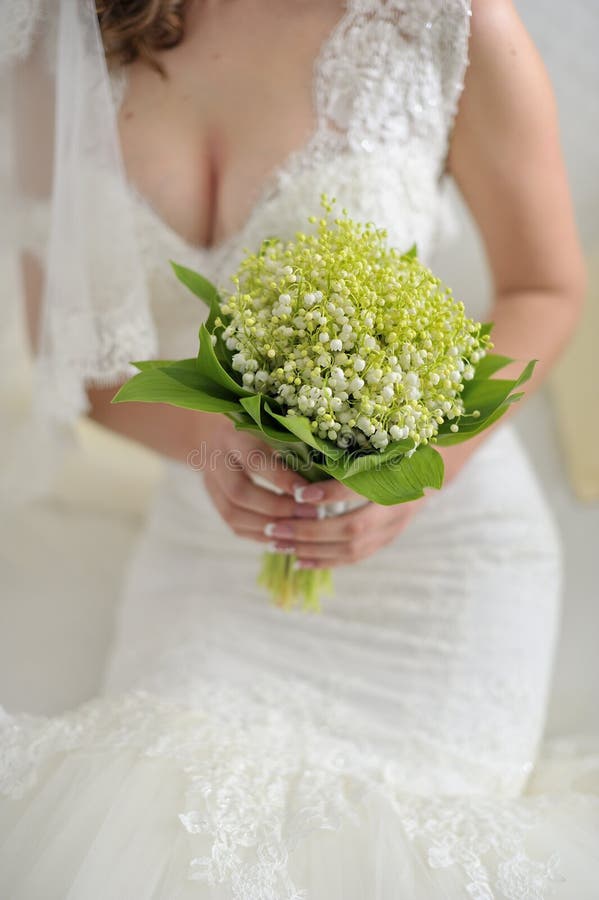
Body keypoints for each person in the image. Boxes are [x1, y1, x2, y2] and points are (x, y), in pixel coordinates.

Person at [1, 0, 598, 897]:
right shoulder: (53, 33)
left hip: (441, 548)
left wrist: (419, 464)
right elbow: (75, 358)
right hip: (214, 539)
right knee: (157, 817)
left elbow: (543, 288)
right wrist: (205, 435)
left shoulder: (450, 18)